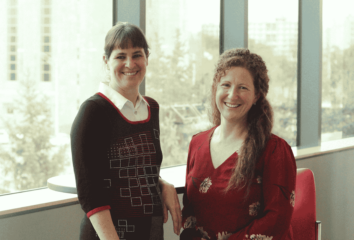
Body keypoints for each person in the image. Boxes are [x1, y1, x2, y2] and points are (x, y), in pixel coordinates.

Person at [71, 22, 181, 240]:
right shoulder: (93, 111)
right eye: (121, 56)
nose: (130, 63)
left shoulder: (152, 108)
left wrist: (162, 183)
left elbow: (135, 169)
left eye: (137, 54)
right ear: (106, 61)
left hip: (149, 231)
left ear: (147, 57)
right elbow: (90, 192)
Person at [181, 48, 297, 240]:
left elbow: (277, 221)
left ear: (257, 96)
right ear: (216, 89)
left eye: (242, 87)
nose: (232, 95)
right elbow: (190, 214)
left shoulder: (274, 150)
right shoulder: (197, 143)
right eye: (225, 85)